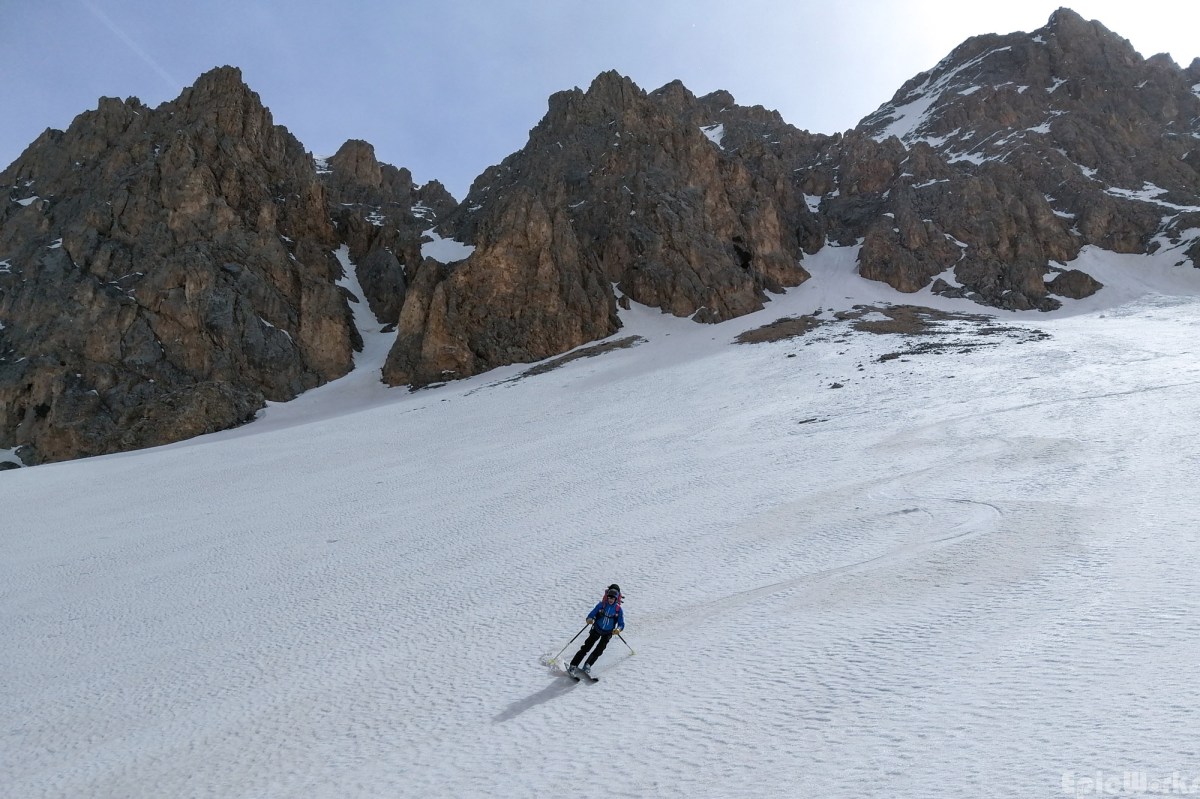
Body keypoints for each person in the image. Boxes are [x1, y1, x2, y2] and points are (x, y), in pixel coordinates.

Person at [568, 584, 625, 677]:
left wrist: (618, 629)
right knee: (586, 647)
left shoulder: (618, 610)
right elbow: (591, 614)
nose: (610, 600)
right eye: (609, 597)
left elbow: (621, 623)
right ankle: (573, 665)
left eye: (612, 598)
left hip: (608, 632)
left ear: (616, 599)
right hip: (597, 629)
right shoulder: (601, 605)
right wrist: (589, 619)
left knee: (599, 650)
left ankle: (588, 665)